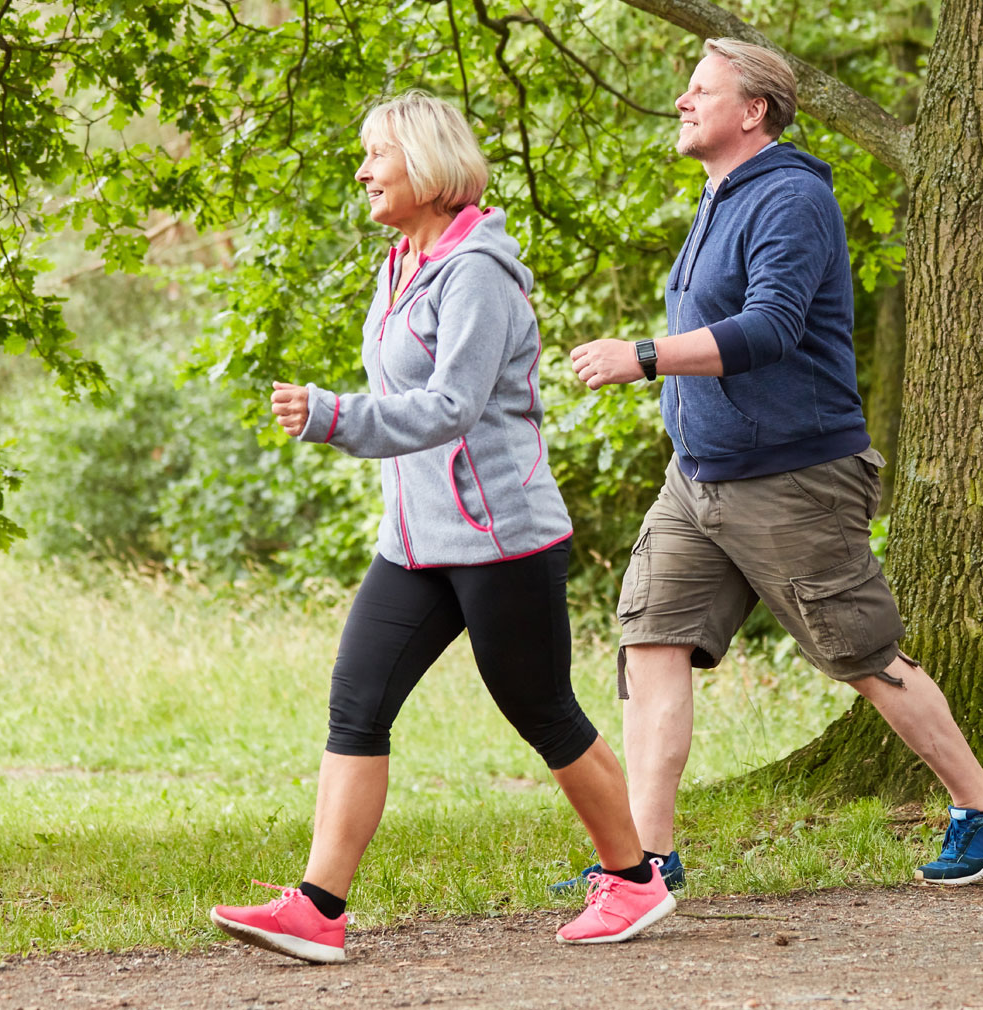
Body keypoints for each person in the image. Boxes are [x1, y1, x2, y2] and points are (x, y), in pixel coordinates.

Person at [208, 92, 673, 963]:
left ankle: (636, 881)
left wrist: (334, 416)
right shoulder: (403, 264)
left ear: (424, 164)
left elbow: (453, 405)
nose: (363, 170)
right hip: (415, 543)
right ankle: (318, 907)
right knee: (357, 702)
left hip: (502, 538)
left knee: (542, 710)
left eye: (376, 154)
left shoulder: (477, 274)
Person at [567, 39, 983, 887]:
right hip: (698, 475)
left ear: (753, 111)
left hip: (792, 478)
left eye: (699, 88)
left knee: (861, 653)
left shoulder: (789, 197)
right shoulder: (719, 196)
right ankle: (644, 863)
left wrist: (644, 355)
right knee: (650, 642)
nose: (682, 100)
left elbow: (771, 327)